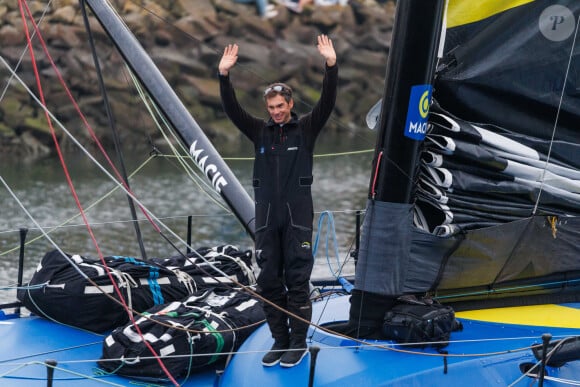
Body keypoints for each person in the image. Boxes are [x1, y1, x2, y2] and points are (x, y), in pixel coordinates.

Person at [218, 35, 338, 368]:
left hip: (297, 218)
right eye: (271, 108)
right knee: (268, 280)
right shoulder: (259, 132)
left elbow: (327, 101)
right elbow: (231, 110)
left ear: (290, 105)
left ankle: (298, 343)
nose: (277, 112)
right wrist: (224, 77)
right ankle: (280, 340)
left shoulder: (307, 129)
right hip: (268, 221)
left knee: (297, 280)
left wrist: (331, 65)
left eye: (281, 107)